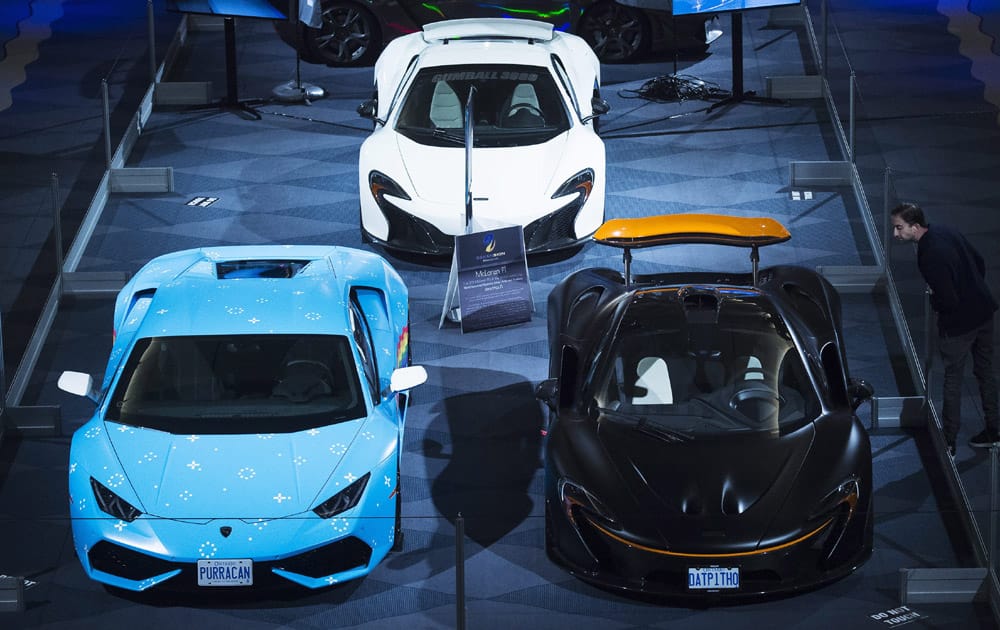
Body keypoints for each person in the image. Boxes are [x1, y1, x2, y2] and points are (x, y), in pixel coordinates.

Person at [891, 202, 999, 456]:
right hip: (984, 311)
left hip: (959, 326)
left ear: (915, 227)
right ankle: (994, 430)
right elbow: (979, 262)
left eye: (899, 228)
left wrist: (934, 299)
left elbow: (947, 300)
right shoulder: (946, 230)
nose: (895, 234)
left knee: (952, 380)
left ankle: (948, 441)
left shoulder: (928, 255)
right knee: (986, 373)